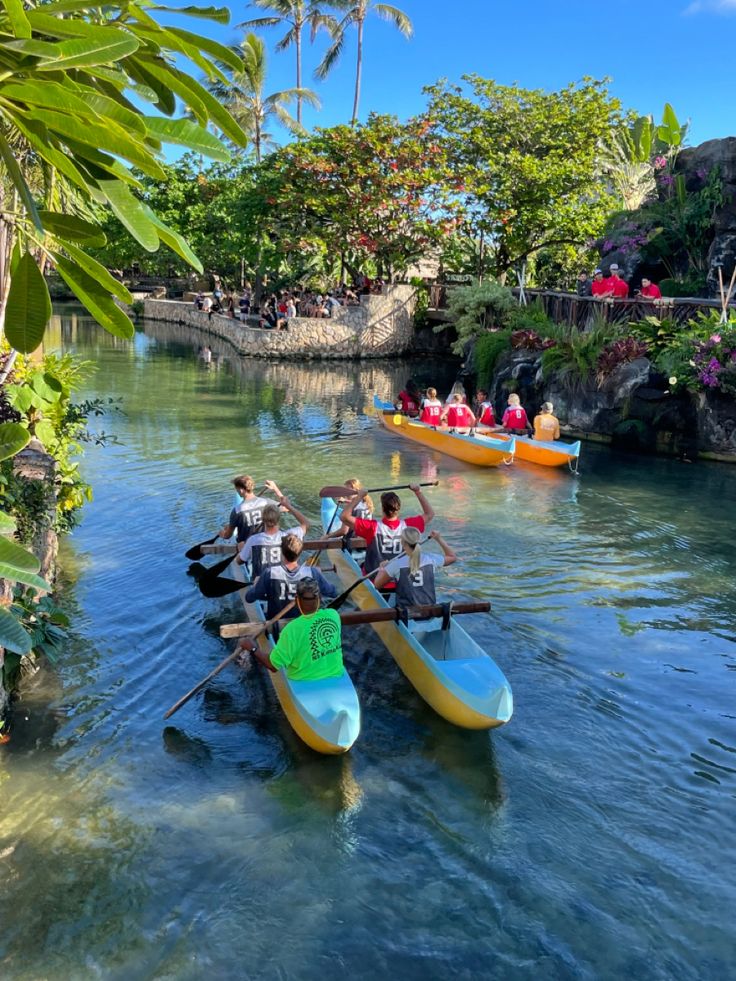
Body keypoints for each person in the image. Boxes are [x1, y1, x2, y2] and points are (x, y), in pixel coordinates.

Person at [238, 578, 344, 682]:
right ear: (320, 598)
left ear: (297, 600)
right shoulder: (333, 614)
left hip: (304, 681)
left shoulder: (291, 629)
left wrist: (252, 647)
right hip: (335, 674)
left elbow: (272, 666)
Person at [339, 484, 435, 577]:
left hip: (374, 579)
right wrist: (418, 492)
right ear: (398, 509)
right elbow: (429, 514)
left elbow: (344, 516)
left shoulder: (372, 527)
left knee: (362, 565)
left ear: (382, 509)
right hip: (399, 579)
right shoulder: (408, 525)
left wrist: (359, 497)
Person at [244, 535, 336, 622]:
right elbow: (333, 592)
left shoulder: (269, 573)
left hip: (276, 624)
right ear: (300, 553)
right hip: (302, 624)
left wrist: (256, 585)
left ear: (282, 552)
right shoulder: (312, 573)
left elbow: (249, 598)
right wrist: (319, 576)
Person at [374, 528, 457, 610]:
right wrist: (438, 538)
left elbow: (377, 585)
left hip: (406, 615)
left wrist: (382, 569)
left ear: (402, 542)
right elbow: (452, 557)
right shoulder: (431, 559)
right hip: (430, 611)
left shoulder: (396, 564)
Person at [238, 497, 310, 578]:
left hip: (259, 586)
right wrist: (289, 506)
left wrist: (241, 550)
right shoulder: (288, 538)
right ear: (278, 519)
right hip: (280, 585)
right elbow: (306, 524)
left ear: (263, 519)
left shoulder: (253, 540)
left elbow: (239, 561)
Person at [219, 476, 278, 546]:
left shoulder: (237, 511)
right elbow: (286, 507)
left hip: (245, 547)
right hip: (264, 543)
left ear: (241, 490)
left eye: (236, 489)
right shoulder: (266, 502)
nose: (237, 491)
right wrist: (275, 488)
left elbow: (227, 536)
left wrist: (221, 533)